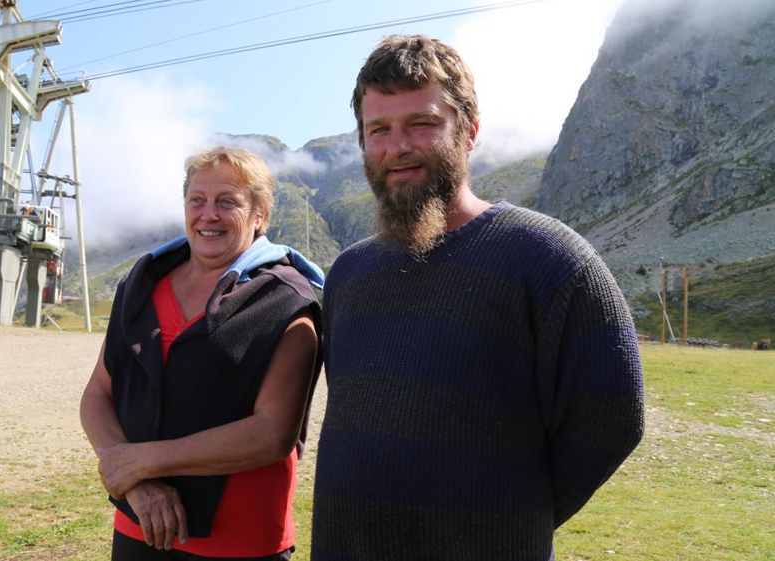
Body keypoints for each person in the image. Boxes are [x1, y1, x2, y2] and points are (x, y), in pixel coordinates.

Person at [311, 35, 645, 561]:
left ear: (469, 131)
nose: (398, 146)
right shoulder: (350, 272)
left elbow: (613, 415)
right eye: (379, 130)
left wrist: (514, 515)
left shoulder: (550, 257)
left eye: (421, 123)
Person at [80, 146, 323, 560]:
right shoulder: (141, 285)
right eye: (197, 200)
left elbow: (272, 434)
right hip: (140, 524)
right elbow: (98, 393)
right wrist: (136, 483)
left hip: (240, 540)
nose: (208, 214)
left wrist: (141, 463)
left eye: (227, 202)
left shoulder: (288, 303)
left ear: (259, 215)